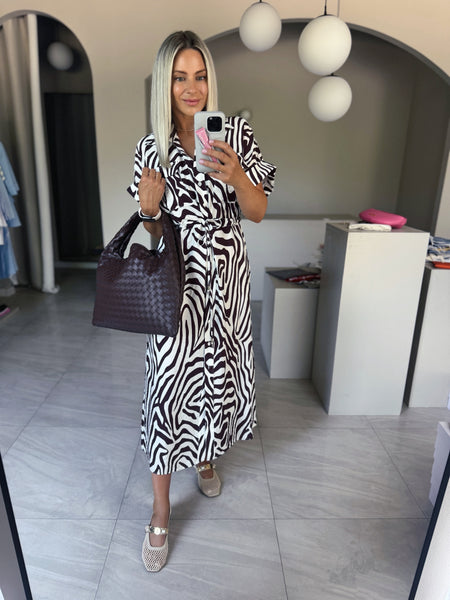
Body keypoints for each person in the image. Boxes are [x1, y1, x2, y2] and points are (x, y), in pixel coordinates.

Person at [127, 30, 276, 572]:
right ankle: (161, 510)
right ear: (164, 85)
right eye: (179, 77)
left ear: (211, 80)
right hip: (177, 290)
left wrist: (236, 175)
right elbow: (152, 232)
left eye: (200, 76)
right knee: (167, 393)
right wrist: (148, 210)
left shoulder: (235, 135)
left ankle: (206, 457)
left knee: (217, 379)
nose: (191, 88)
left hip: (228, 288)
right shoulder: (152, 148)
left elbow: (257, 211)